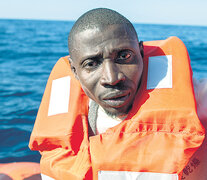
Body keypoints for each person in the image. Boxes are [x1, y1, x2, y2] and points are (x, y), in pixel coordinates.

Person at [29, 8, 207, 180]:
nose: (112, 78)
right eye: (91, 63)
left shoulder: (198, 101)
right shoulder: (67, 117)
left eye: (124, 56)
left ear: (141, 52)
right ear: (75, 71)